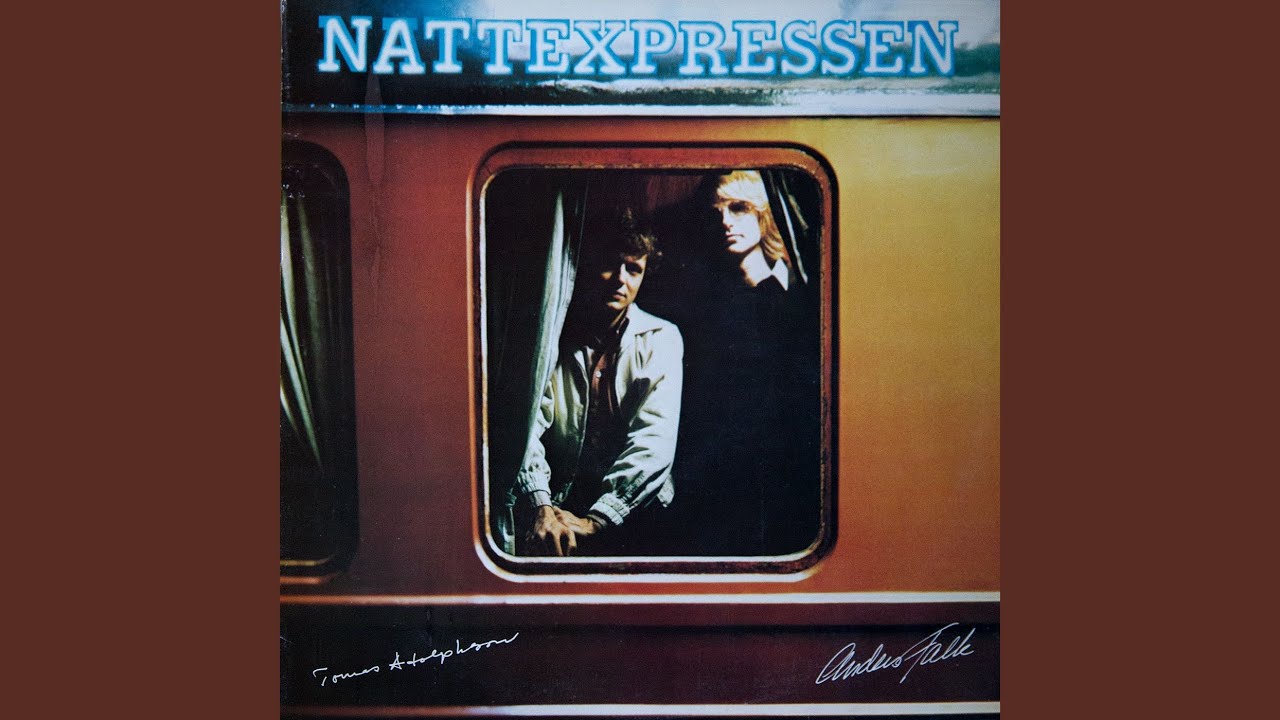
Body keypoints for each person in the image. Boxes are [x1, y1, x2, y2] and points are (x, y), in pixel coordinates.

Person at [513, 207, 683, 557]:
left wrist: (597, 520)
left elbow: (653, 441)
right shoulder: (556, 333)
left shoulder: (661, 337)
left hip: (636, 512)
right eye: (610, 264)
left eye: (633, 269)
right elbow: (528, 424)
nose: (620, 279)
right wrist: (541, 504)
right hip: (559, 506)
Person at [673, 170, 821, 556]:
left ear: (762, 214)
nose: (726, 221)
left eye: (738, 208)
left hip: (790, 471)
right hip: (725, 474)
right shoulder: (703, 308)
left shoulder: (802, 297)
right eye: (716, 213)